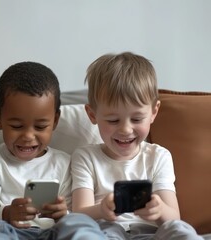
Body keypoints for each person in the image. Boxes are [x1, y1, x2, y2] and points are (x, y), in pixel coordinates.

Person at [71, 52, 203, 239]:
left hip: (151, 233)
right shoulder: (85, 157)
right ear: (92, 115)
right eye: (113, 120)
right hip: (107, 231)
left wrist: (159, 209)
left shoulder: (158, 156)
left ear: (153, 112)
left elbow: (174, 218)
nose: (125, 129)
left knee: (181, 231)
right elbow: (78, 215)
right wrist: (101, 210)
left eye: (136, 119)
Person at [0, 61, 105, 239]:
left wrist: (63, 214)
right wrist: (7, 213)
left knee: (82, 223)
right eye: (17, 126)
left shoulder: (64, 162)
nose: (28, 136)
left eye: (40, 127)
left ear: (55, 121)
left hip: (52, 233)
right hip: (10, 233)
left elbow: (73, 214)